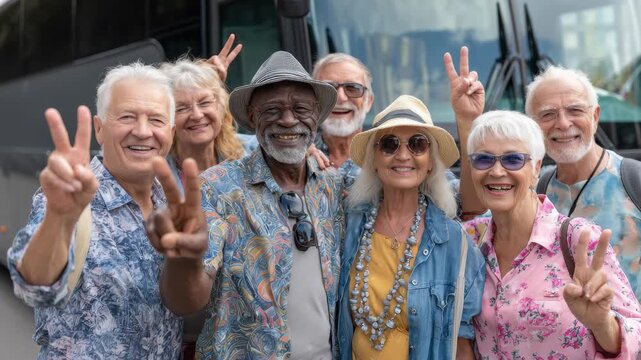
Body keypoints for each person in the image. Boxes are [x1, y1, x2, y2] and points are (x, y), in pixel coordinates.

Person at [145, 51, 344, 359]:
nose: (288, 119)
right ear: (252, 117)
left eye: (301, 108)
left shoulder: (334, 186)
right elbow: (187, 301)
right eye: (272, 109)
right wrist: (182, 260)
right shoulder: (219, 187)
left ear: (317, 115)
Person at [7, 63, 182, 358]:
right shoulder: (74, 198)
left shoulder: (171, 201)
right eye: (127, 117)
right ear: (99, 129)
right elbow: (35, 288)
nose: (142, 131)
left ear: (171, 132)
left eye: (156, 120)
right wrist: (59, 218)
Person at [461, 110, 641, 358]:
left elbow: (637, 337)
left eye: (513, 159)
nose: (497, 171)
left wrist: (602, 324)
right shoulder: (467, 240)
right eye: (483, 159)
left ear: (536, 168)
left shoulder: (578, 239)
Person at [336, 95, 485, 359]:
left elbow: (462, 342)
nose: (403, 155)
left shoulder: (453, 241)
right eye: (389, 144)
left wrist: (467, 119)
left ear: (430, 163)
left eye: (417, 144)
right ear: (374, 160)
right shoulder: (348, 226)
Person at [524, 66, 641, 300]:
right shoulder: (533, 190)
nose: (564, 124)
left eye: (575, 110)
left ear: (595, 116)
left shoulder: (634, 180)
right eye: (548, 114)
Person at [161, 57, 257, 195]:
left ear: (221, 106)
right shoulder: (156, 178)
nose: (197, 115)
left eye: (205, 102)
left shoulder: (253, 151)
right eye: (181, 108)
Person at [311, 53, 374, 188]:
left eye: (352, 88)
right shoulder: (297, 153)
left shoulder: (388, 156)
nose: (341, 97)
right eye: (328, 88)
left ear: (368, 102)